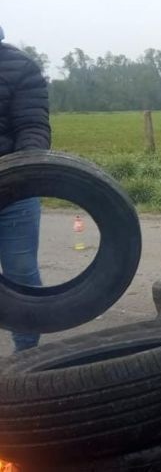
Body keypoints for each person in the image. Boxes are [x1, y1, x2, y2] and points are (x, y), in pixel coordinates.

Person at [0, 26, 52, 352]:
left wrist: (21, 172)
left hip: (14, 190)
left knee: (21, 274)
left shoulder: (20, 67)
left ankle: (27, 356)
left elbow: (33, 126)